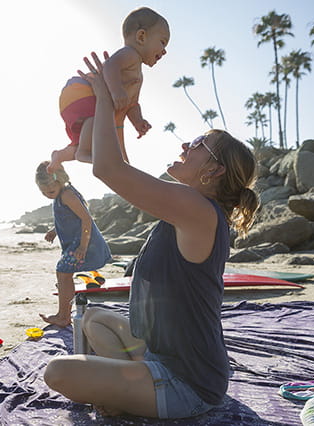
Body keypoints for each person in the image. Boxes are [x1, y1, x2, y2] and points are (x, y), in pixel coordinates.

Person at [44, 53, 259, 419]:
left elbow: (108, 169)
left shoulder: (198, 211)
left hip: (188, 382)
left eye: (196, 145)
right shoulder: (189, 208)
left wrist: (106, 98)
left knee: (58, 372)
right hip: (162, 352)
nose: (184, 147)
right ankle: (130, 388)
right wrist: (110, 116)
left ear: (214, 171)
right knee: (94, 319)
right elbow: (116, 165)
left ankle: (134, 391)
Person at [47, 7, 170, 173]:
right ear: (141, 37)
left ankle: (60, 156)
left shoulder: (137, 73)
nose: (165, 50)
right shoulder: (131, 55)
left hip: (78, 97)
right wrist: (116, 90)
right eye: (162, 42)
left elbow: (132, 104)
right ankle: (84, 153)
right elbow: (111, 65)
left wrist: (138, 121)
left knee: (88, 137)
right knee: (95, 122)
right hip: (82, 90)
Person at [35, 161, 112, 327]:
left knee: (63, 273)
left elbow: (86, 219)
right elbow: (67, 218)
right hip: (77, 243)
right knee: (63, 274)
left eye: (50, 191)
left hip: (84, 243)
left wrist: (83, 247)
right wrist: (54, 230)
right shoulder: (60, 194)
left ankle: (63, 317)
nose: (47, 195)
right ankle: (63, 314)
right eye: (43, 193)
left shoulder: (67, 195)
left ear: (60, 181)